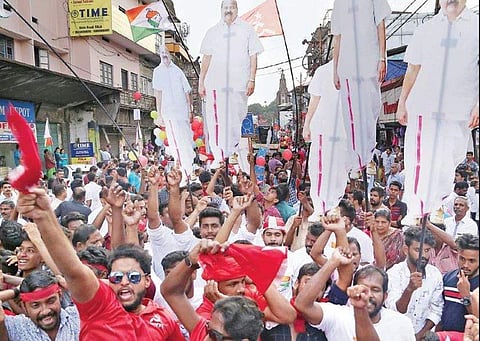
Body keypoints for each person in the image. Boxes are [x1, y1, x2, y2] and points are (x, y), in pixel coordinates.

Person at [16, 187, 184, 340]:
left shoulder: (162, 317)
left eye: (133, 277)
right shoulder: (100, 306)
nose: (124, 282)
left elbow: (125, 253)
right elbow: (74, 270)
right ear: (108, 280)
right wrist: (44, 216)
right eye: (117, 278)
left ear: (147, 280)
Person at [398, 0, 479, 217]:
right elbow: (412, 70)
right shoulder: (426, 30)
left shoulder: (476, 26)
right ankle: (418, 211)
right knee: (420, 159)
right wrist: (402, 102)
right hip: (424, 106)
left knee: (449, 160)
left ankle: (437, 202)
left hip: (459, 110)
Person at [198, 0, 263, 165]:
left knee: (236, 118)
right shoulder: (212, 32)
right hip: (215, 83)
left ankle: (231, 151)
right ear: (221, 9)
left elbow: (253, 55)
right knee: (216, 119)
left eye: (232, 7)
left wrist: (252, 79)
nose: (228, 10)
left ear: (236, 9)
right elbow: (206, 57)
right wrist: (201, 81)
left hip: (239, 84)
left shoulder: (247, 30)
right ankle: (221, 158)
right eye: (225, 7)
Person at [295, 253, 415, 340]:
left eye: (375, 290)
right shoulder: (337, 316)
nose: (367, 294)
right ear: (351, 290)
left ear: (385, 296)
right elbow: (302, 304)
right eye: (362, 288)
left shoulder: (402, 324)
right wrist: (332, 262)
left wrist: (360, 308)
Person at [331, 0, 391, 171]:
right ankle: (357, 160)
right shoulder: (339, 3)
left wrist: (382, 58)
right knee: (351, 113)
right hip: (348, 65)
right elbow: (338, 37)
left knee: (371, 108)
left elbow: (381, 25)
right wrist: (335, 69)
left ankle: (368, 153)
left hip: (370, 60)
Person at [302, 61, 350, 216]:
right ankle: (320, 208)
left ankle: (333, 205)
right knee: (320, 168)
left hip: (345, 129)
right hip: (324, 128)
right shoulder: (323, 71)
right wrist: (307, 124)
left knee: (341, 170)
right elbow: (314, 100)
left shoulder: (355, 69)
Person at [385, 227, 444, 339]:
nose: (423, 255)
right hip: (396, 335)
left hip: (423, 336)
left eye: (427, 250)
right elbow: (395, 310)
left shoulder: (435, 274)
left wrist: (419, 336)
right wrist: (409, 289)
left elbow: (436, 310)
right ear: (406, 250)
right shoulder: (394, 274)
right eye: (418, 250)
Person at [152, 46, 195, 177]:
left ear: (170, 54)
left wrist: (190, 110)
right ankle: (182, 169)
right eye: (162, 53)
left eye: (166, 52)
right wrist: (159, 113)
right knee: (174, 140)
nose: (164, 55)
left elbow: (187, 91)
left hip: (182, 111)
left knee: (186, 139)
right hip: (168, 112)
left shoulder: (178, 71)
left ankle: (189, 168)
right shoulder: (157, 71)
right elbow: (158, 93)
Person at [0, 270, 80, 340]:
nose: (45, 311)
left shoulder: (77, 317)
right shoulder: (16, 327)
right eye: (35, 305)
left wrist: (70, 287)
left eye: (51, 301)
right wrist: (15, 291)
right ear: (24, 306)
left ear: (60, 296)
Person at [438, 233, 479, 332]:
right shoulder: (448, 278)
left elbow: (477, 319)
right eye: (462, 259)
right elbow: (440, 311)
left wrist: (466, 296)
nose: (465, 265)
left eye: (471, 261)